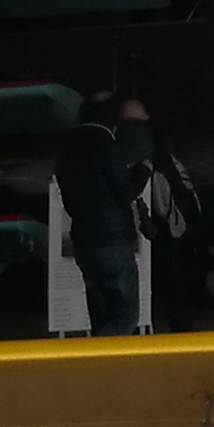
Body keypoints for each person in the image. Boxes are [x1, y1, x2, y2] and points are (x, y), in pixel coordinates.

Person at [55, 93, 150, 334]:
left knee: (100, 312)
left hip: (84, 239)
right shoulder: (107, 144)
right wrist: (143, 171)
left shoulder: (68, 148)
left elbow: (68, 200)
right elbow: (125, 192)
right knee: (125, 316)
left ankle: (99, 361)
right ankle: (100, 357)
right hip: (113, 238)